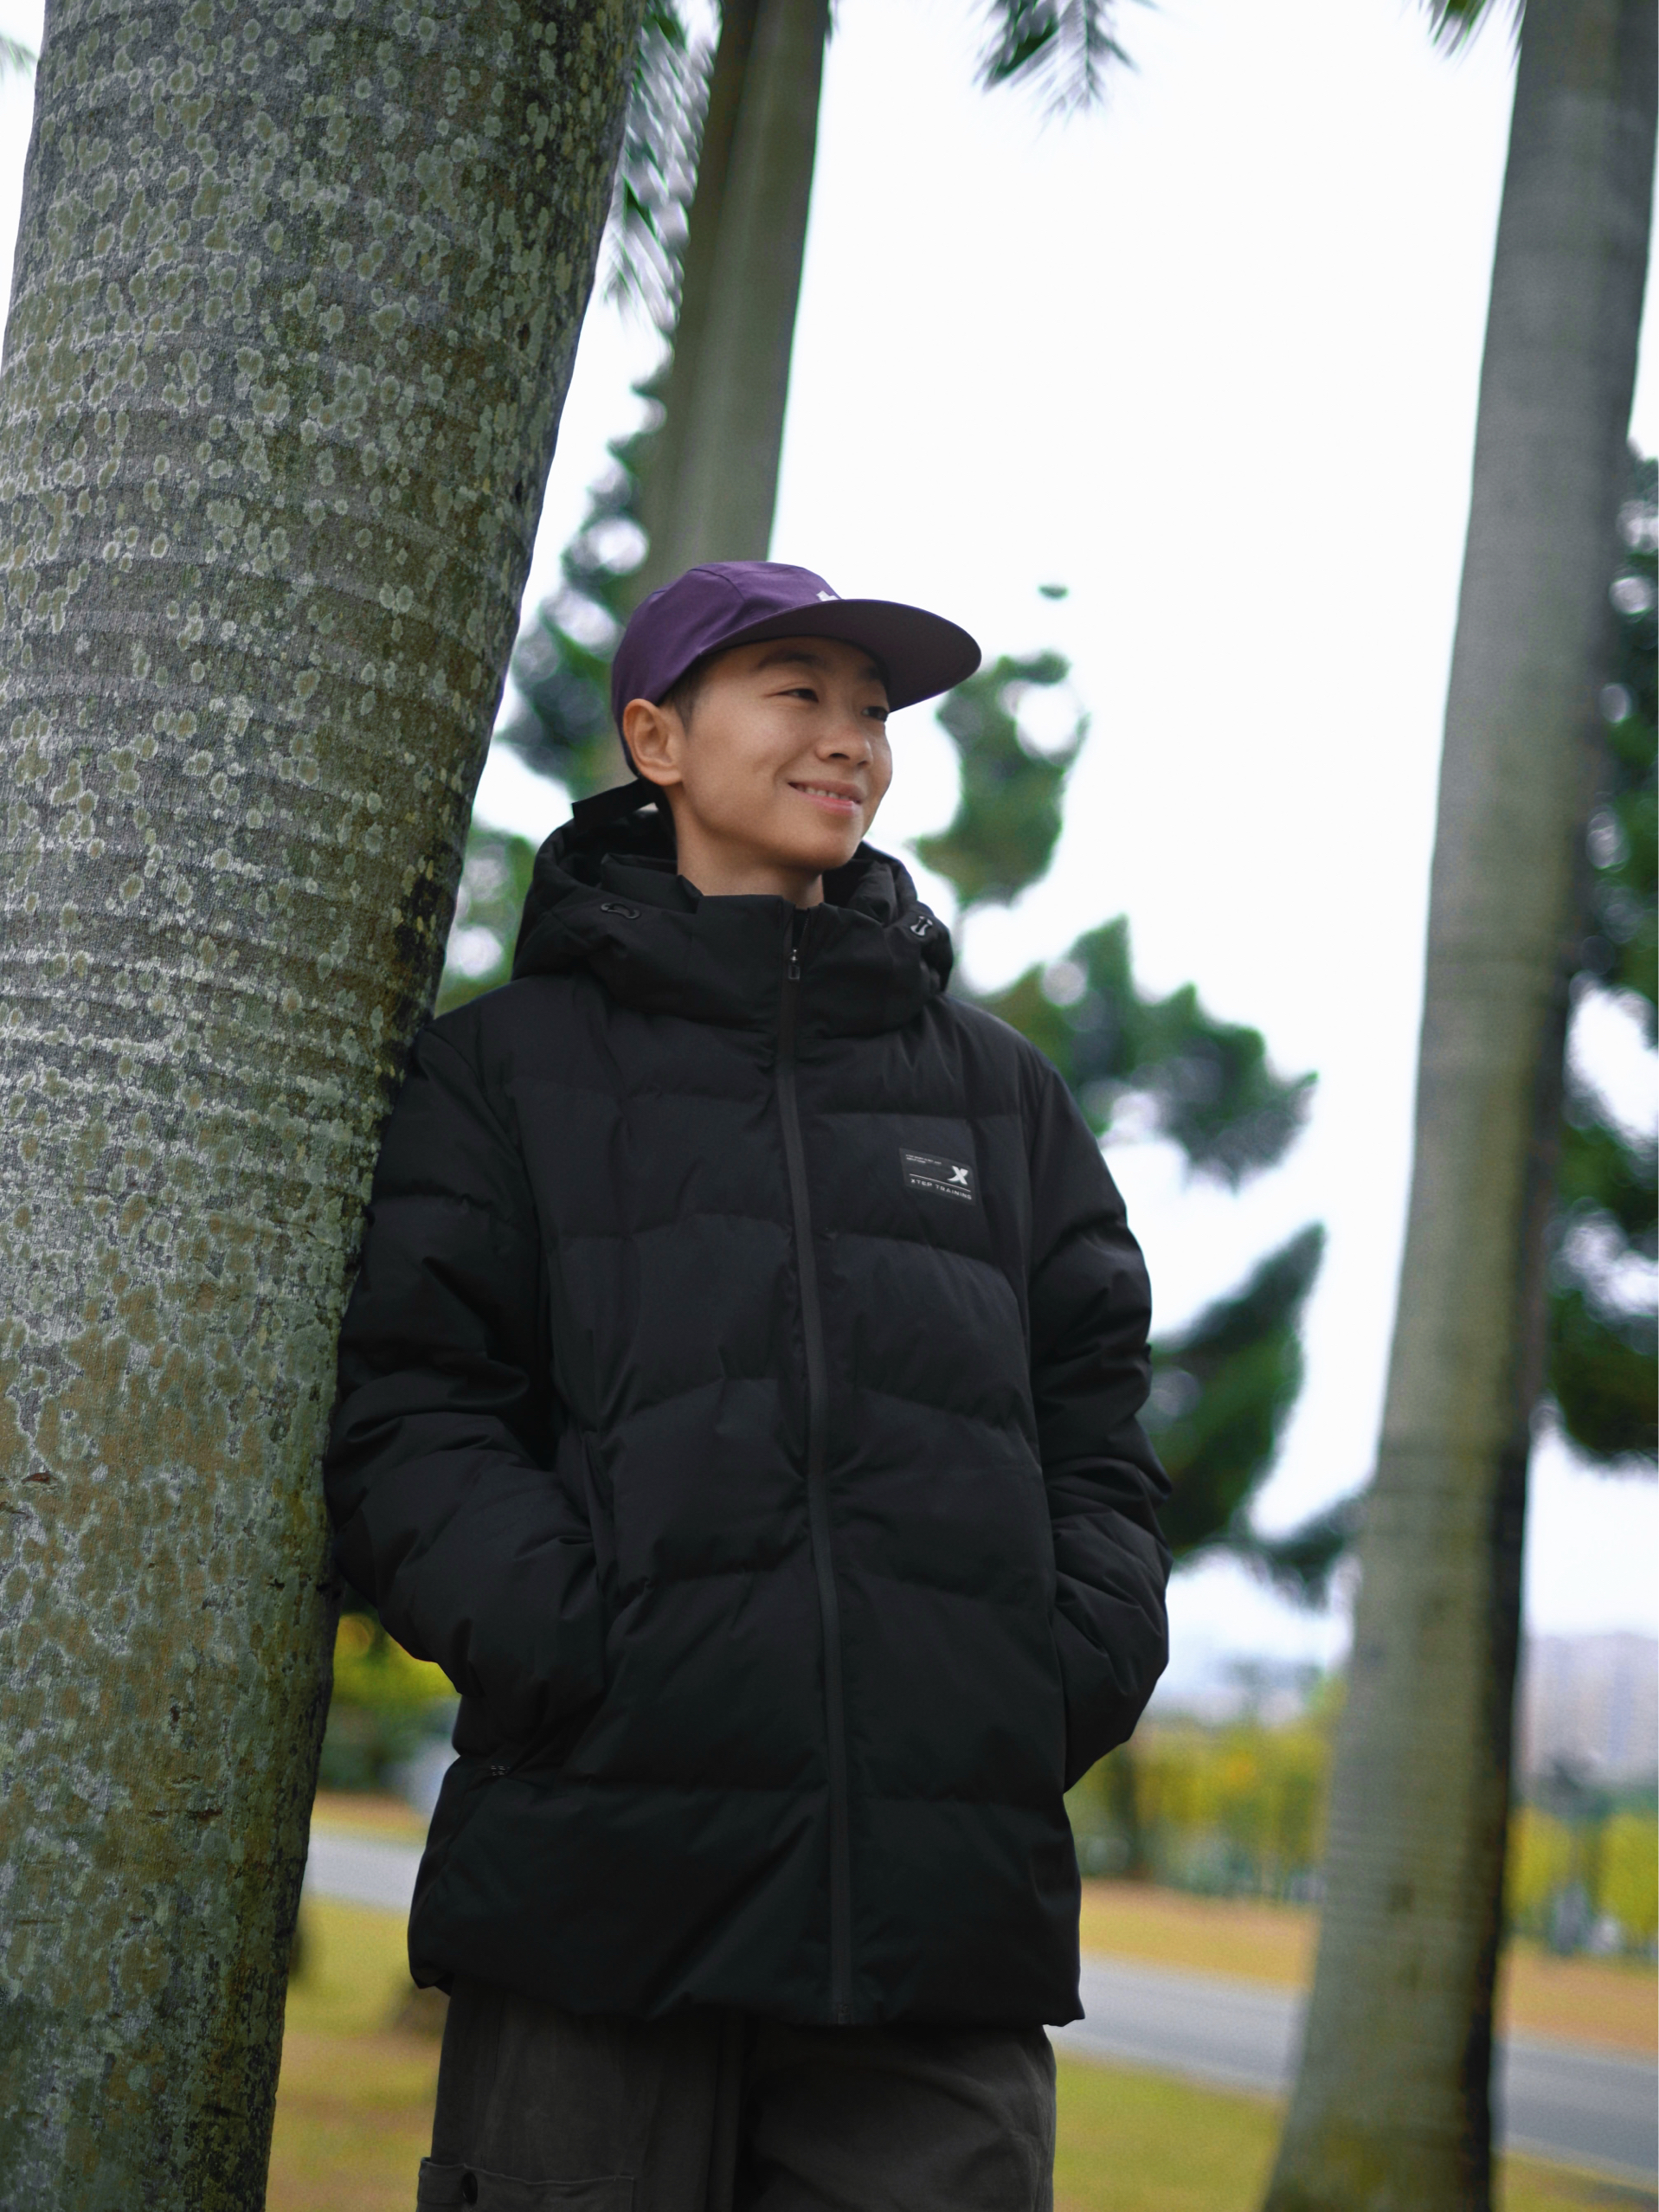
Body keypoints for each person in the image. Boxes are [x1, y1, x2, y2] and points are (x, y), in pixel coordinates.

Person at [324, 561, 1171, 2212]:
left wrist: (1051, 1673)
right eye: (798, 693)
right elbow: (415, 1409)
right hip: (599, 1885)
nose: (849, 738)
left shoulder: (997, 1097)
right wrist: (575, 1650)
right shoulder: (502, 1072)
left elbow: (1095, 1422)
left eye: (872, 711)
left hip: (940, 1914)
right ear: (657, 739)